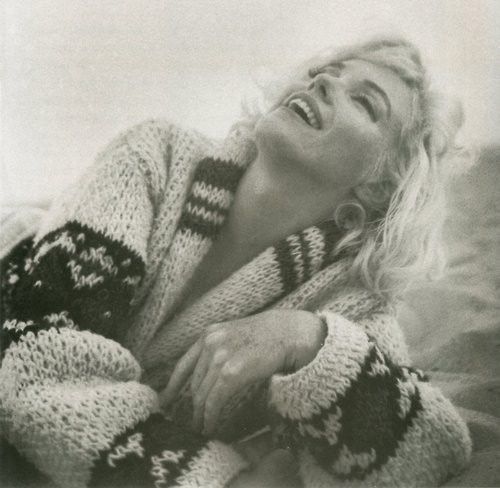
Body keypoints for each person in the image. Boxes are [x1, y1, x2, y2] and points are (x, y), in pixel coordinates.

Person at [0, 36, 471, 487]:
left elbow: (431, 451)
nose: (323, 81)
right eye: (324, 71)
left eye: (364, 101)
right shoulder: (156, 155)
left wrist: (307, 341)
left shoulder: (348, 313)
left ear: (382, 184)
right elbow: (41, 367)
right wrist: (220, 478)